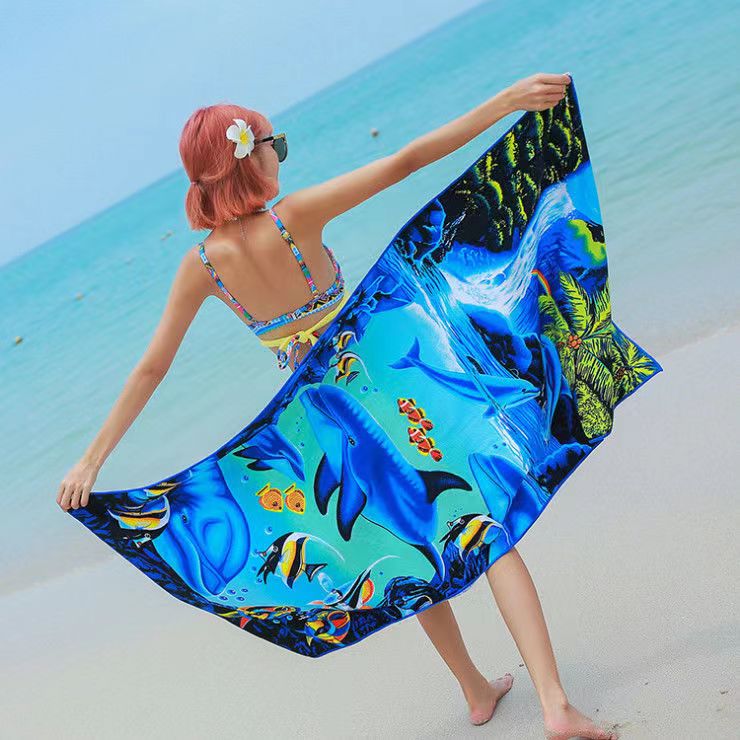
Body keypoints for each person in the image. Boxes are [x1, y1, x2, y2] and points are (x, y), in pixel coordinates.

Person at [57, 71, 617, 739]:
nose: (279, 154)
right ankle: (554, 704)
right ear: (250, 159)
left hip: (322, 422)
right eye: (275, 144)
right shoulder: (294, 217)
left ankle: (474, 689)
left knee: (410, 551)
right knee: (489, 527)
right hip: (390, 392)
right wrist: (505, 103)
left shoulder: (201, 266)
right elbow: (405, 160)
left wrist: (90, 462)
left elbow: (152, 367)